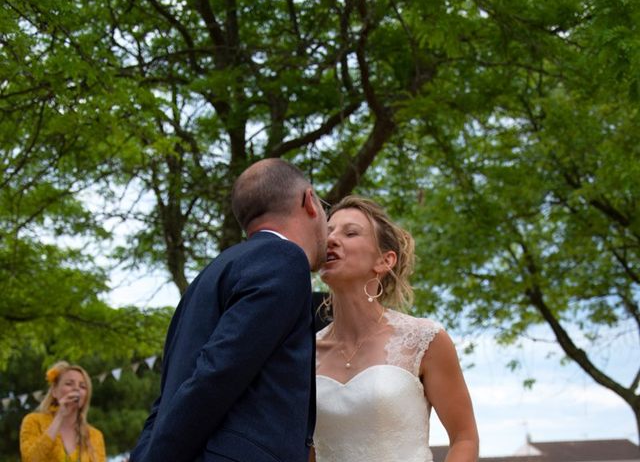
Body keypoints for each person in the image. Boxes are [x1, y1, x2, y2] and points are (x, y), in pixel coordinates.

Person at [130, 158, 328, 462]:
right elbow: (216, 374)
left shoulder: (205, 279)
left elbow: (169, 395)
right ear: (309, 200)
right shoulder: (285, 259)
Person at [314, 195, 479, 462]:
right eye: (327, 231)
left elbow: (465, 437)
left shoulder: (425, 340)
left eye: (351, 233)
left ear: (384, 261)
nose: (330, 239)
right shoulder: (304, 353)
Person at [20, 360, 106, 462]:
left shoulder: (95, 436)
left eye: (82, 386)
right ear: (54, 391)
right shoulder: (33, 421)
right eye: (69, 384)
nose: (76, 389)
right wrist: (60, 416)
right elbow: (31, 459)